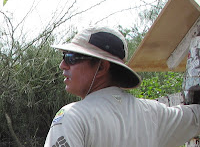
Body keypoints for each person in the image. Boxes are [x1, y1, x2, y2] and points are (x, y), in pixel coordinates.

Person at [44, 26, 200, 147]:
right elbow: (195, 117)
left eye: (71, 58)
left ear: (101, 67)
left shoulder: (72, 117)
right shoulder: (154, 114)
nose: (62, 65)